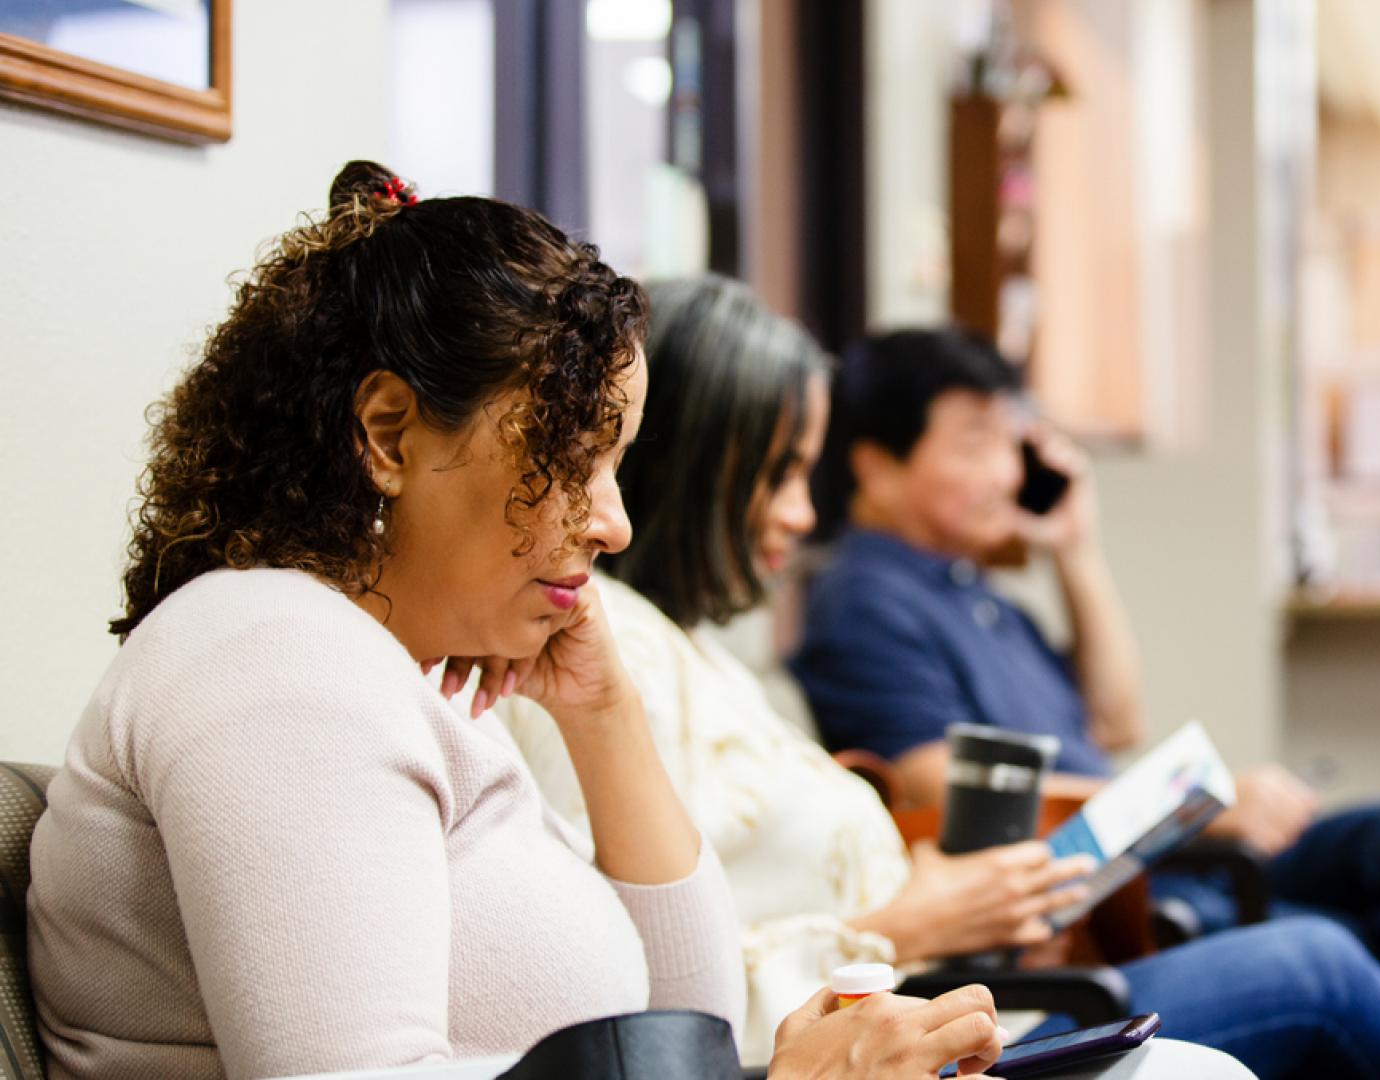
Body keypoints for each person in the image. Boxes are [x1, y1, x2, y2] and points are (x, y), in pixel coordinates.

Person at [26, 165, 1002, 1080]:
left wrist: (602, 712)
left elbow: (684, 1031)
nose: (613, 523)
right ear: (387, 433)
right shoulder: (275, 661)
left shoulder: (387, 674)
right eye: (574, 459)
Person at [499, 275, 1380, 1079]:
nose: (801, 511)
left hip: (975, 960)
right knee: (1318, 959)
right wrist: (913, 916)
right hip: (932, 1003)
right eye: (780, 473)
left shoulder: (721, 650)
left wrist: (1076, 551)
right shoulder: (609, 654)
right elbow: (660, 981)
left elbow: (1114, 715)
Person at [788, 327, 1380, 1080]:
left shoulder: (975, 591)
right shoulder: (868, 603)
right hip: (1106, 891)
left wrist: (1077, 552)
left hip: (1142, 857)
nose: (1006, 471)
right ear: (875, 463)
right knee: (1349, 937)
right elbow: (953, 799)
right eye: (975, 444)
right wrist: (1201, 812)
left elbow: (1115, 724)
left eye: (1010, 440)